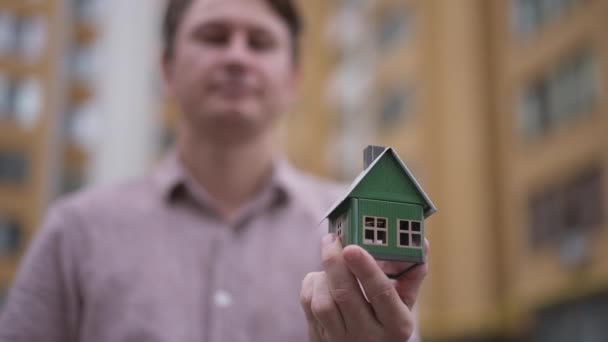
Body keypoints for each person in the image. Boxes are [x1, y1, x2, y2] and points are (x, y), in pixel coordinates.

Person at [0, 0, 427, 341]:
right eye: (213, 36)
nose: (237, 56)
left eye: (259, 41)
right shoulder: (74, 231)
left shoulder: (355, 235)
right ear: (166, 69)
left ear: (294, 79)